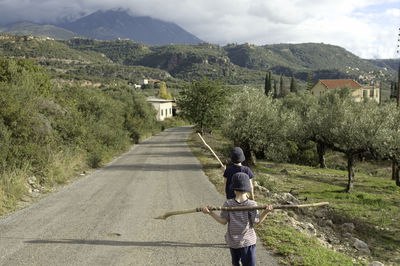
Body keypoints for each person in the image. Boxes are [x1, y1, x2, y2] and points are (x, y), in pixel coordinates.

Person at [202, 172, 273, 266]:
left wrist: (211, 213)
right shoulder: (252, 204)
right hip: (246, 242)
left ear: (234, 189)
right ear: (248, 189)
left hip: (234, 243)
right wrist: (266, 212)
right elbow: (257, 221)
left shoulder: (228, 204)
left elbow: (223, 221)